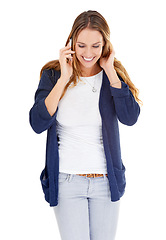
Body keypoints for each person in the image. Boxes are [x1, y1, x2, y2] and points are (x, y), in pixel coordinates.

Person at [29, 10, 141, 240]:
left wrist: (110, 71)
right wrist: (64, 79)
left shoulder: (113, 76)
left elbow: (130, 117)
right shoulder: (53, 76)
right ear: (71, 43)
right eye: (81, 46)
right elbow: (37, 122)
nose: (87, 53)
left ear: (105, 45)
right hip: (67, 180)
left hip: (106, 181)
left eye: (95, 46)